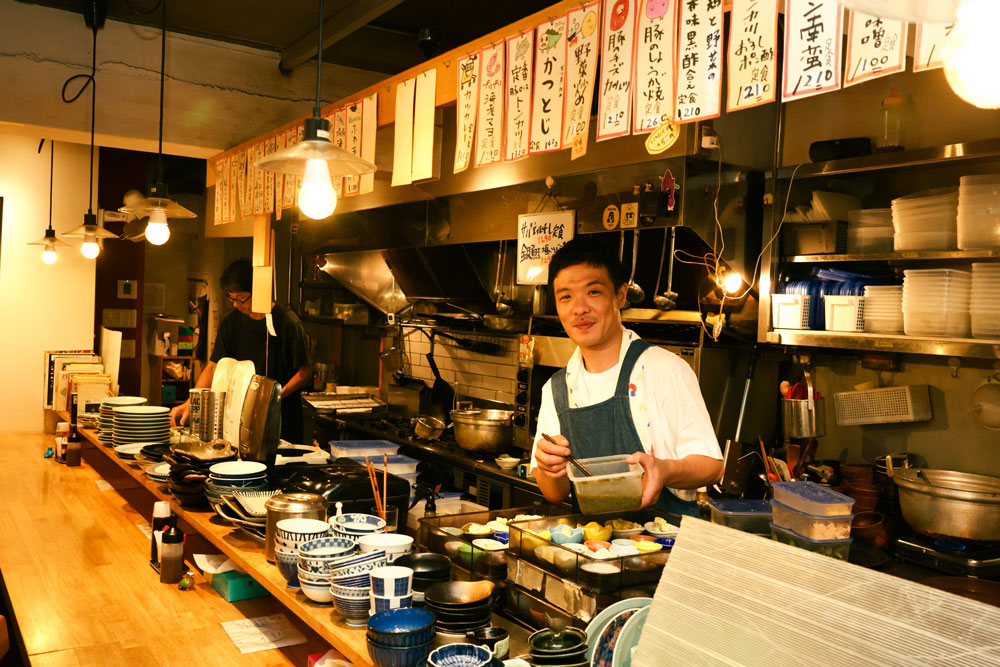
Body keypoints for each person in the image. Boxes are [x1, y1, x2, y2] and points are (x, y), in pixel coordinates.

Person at [529, 237, 723, 516]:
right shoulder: (557, 389)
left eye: (593, 292)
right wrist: (549, 468)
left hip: (664, 547)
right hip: (591, 549)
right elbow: (555, 493)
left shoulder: (664, 369)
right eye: (565, 297)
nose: (579, 308)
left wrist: (665, 470)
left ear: (620, 295)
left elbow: (713, 466)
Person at [170, 258, 313, 443]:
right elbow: (214, 366)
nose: (236, 304)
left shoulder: (288, 323)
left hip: (282, 418)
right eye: (232, 298)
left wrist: (274, 397)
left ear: (259, 289)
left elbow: (305, 372)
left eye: (240, 298)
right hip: (241, 418)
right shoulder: (232, 323)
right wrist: (192, 401)